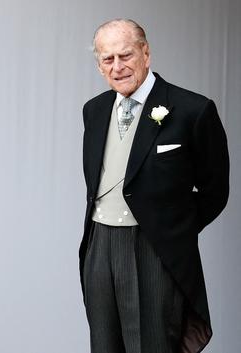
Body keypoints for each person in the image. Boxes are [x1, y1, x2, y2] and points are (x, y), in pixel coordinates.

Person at [80, 19, 229, 353]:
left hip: (154, 249)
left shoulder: (194, 110)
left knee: (154, 345)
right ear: (100, 66)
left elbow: (215, 190)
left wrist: (171, 229)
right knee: (103, 345)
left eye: (126, 55)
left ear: (145, 53)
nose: (118, 67)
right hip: (99, 245)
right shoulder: (94, 110)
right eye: (108, 59)